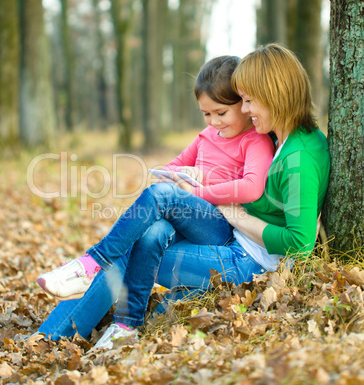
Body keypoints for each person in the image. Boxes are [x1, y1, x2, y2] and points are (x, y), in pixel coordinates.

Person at [37, 44, 329, 350]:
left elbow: (300, 243)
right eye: (242, 101)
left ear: (275, 96)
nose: (243, 109)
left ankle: (62, 328)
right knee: (149, 233)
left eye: (248, 101)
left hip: (249, 262)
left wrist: (233, 213)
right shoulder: (280, 136)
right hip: (235, 242)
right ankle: (77, 324)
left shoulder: (300, 156)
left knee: (134, 247)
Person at [36, 55, 274, 303]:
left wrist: (198, 187)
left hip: (222, 226)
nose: (214, 122)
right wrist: (179, 176)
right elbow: (172, 167)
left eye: (221, 113)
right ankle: (115, 322)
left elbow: (252, 187)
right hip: (193, 217)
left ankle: (93, 262)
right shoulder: (207, 135)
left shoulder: (255, 140)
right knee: (148, 233)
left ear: (244, 104)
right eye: (206, 114)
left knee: (159, 198)